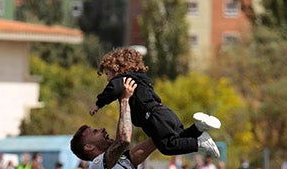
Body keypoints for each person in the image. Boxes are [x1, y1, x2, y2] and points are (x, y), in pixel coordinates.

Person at [89, 46, 221, 158]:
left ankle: (199, 143)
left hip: (153, 117)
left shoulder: (122, 79)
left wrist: (98, 104)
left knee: (167, 147)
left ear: (116, 69)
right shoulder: (141, 78)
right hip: (164, 112)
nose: (107, 79)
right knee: (178, 137)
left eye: (107, 74)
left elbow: (113, 89)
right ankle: (198, 128)